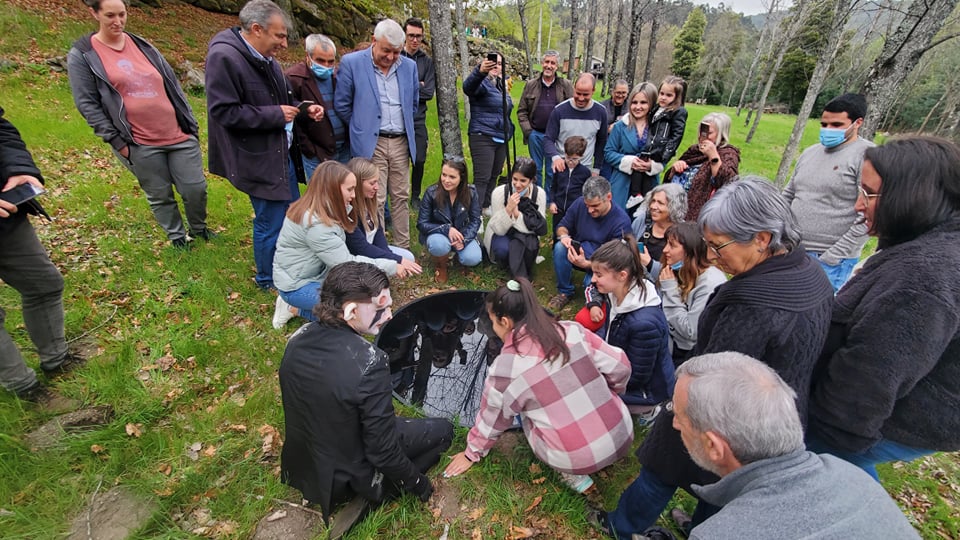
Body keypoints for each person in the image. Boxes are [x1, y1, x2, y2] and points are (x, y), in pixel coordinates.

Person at [598, 178, 834, 538]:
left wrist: (680, 411)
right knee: (731, 485)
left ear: (762, 238)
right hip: (776, 417)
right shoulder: (810, 272)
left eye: (717, 245)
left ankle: (623, 525)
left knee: (661, 468)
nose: (709, 255)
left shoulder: (753, 303)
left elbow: (717, 370)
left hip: (720, 411)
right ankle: (700, 528)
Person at [807, 137, 960, 480]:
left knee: (829, 474)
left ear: (911, 197)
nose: (858, 206)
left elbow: (870, 378)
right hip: (886, 404)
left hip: (872, 415)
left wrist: (825, 439)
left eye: (869, 193)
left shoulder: (922, 278)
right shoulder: (925, 244)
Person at [667, 352, 920, 540]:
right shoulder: (850, 474)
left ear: (714, 445)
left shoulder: (719, 535)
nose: (675, 424)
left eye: (678, 415)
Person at [280, 261, 453, 528]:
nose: (389, 315)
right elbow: (382, 451)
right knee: (444, 430)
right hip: (349, 471)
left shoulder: (298, 337)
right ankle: (374, 491)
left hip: (309, 465)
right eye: (380, 309)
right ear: (350, 311)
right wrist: (420, 485)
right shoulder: (370, 362)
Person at [443, 278, 634, 494]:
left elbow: (494, 417)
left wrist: (472, 452)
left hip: (574, 457)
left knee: (523, 411)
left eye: (493, 321)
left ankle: (572, 473)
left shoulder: (506, 368)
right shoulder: (571, 331)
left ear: (505, 322)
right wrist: (610, 392)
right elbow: (621, 366)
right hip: (623, 433)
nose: (493, 327)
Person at [68, 0, 211, 249]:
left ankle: (199, 229)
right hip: (137, 141)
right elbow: (87, 104)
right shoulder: (84, 55)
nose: (118, 21)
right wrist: (118, 142)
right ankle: (177, 238)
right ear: (94, 13)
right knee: (160, 193)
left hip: (177, 133)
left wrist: (190, 123)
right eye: (110, 15)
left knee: (194, 188)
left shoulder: (142, 45)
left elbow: (172, 85)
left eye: (122, 14)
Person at [205, 0, 324, 290]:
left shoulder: (265, 58)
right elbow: (223, 112)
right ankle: (268, 280)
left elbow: (281, 100)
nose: (284, 44)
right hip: (257, 158)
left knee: (292, 215)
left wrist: (304, 108)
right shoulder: (224, 57)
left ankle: (288, 269)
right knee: (270, 221)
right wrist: (274, 115)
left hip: (280, 154)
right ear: (256, 29)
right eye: (279, 36)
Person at [0, 107, 83, 409]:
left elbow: (1, 129)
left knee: (44, 284)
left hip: (6, 214)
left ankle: (56, 360)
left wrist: (18, 168)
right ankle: (24, 388)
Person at [272, 161, 414, 329]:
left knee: (356, 307)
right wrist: (392, 265)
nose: (354, 195)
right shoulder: (317, 224)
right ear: (332, 189)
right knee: (350, 314)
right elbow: (346, 264)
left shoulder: (327, 210)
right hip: (297, 285)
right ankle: (294, 308)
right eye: (350, 189)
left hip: (318, 275)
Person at [335, 18, 419, 249]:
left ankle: (403, 247)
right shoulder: (352, 63)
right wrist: (361, 127)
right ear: (374, 41)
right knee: (375, 197)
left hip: (401, 140)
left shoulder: (409, 66)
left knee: (401, 195)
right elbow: (342, 104)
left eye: (396, 52)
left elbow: (413, 104)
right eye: (386, 51)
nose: (391, 57)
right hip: (372, 141)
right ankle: (378, 248)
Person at [782, 93, 873, 292]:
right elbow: (789, 194)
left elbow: (869, 214)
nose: (828, 130)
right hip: (791, 249)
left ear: (857, 123)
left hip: (829, 259)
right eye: (824, 124)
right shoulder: (810, 153)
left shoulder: (867, 157)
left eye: (837, 125)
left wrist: (834, 256)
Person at [580, 238, 674, 423]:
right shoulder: (617, 293)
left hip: (647, 392)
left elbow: (637, 376)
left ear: (622, 275)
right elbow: (610, 333)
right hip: (619, 368)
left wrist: (597, 378)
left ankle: (650, 411)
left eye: (598, 274)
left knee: (583, 395)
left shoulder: (644, 324)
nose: (593, 279)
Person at [549, 177, 632, 312]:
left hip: (602, 263)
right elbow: (562, 226)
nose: (589, 210)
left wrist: (587, 264)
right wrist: (564, 236)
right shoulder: (579, 204)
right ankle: (565, 291)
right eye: (587, 205)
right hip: (580, 249)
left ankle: (595, 303)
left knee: (591, 283)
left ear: (609, 197)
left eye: (595, 206)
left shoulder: (621, 222)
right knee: (559, 247)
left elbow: (615, 261)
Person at [655, 223, 726, 365]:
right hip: (670, 346)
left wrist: (670, 290)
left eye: (672, 245)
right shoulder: (677, 270)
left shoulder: (709, 284)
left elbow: (691, 331)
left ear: (690, 250)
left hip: (689, 356)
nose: (665, 250)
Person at [285, 33, 349, 180]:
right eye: (320, 60)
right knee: (321, 199)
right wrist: (309, 149)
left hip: (344, 149)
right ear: (308, 56)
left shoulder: (339, 75)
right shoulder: (294, 79)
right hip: (317, 153)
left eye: (330, 61)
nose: (326, 66)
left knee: (344, 195)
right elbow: (290, 113)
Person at [516, 50, 574, 201]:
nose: (549, 66)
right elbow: (521, 111)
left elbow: (572, 109)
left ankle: (549, 199)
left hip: (556, 137)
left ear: (557, 66)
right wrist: (528, 132)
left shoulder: (565, 86)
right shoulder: (531, 85)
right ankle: (537, 196)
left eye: (552, 63)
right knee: (536, 169)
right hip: (535, 134)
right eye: (547, 62)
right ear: (542, 64)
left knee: (552, 169)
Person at [344, 157, 421, 269]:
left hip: (372, 251)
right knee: (400, 260)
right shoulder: (349, 211)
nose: (377, 187)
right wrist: (396, 260)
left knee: (408, 257)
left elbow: (379, 235)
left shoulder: (369, 203)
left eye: (377, 182)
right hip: (358, 259)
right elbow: (362, 249)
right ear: (358, 184)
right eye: (372, 183)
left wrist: (390, 256)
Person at [417, 158, 482, 283]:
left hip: (462, 233)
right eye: (444, 175)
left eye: (452, 177)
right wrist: (446, 229)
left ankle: (459, 257)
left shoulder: (471, 193)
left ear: (461, 178)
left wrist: (465, 239)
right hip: (438, 234)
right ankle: (441, 265)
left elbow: (475, 220)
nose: (446, 180)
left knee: (473, 258)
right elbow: (422, 223)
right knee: (438, 245)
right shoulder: (431, 193)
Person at [462, 52, 513, 211]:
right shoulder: (481, 82)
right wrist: (480, 71)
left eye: (499, 64)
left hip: (501, 136)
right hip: (483, 135)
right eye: (492, 63)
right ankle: (474, 214)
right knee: (482, 178)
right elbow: (468, 87)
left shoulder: (500, 85)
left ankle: (485, 206)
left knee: (494, 174)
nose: (496, 66)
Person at [666, 112, 739, 221]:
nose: (703, 136)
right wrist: (675, 167)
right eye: (702, 131)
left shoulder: (728, 154)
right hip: (675, 205)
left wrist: (713, 156)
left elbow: (727, 183)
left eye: (709, 133)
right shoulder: (694, 150)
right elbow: (670, 178)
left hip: (702, 213)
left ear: (721, 134)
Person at [483, 157, 547, 280]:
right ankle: (506, 264)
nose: (517, 184)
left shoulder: (539, 194)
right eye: (515, 179)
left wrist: (517, 215)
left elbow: (539, 228)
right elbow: (498, 229)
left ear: (531, 180)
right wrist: (508, 209)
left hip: (527, 234)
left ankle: (522, 268)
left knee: (528, 245)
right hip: (504, 233)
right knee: (503, 249)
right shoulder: (499, 193)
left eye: (523, 180)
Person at [604, 82, 661, 209]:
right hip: (622, 182)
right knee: (620, 221)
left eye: (643, 103)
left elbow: (665, 154)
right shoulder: (620, 126)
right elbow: (608, 152)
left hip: (648, 182)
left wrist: (652, 165)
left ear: (652, 103)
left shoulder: (658, 127)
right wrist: (629, 161)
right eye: (634, 102)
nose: (638, 107)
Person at [544, 73, 608, 177]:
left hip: (585, 168)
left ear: (593, 91)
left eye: (585, 94)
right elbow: (548, 139)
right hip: (562, 166)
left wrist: (596, 168)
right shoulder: (559, 110)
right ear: (574, 88)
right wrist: (555, 157)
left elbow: (602, 142)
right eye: (578, 93)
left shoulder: (600, 112)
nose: (581, 98)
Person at [400, 18, 436, 206]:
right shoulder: (396, 56)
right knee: (398, 161)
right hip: (398, 117)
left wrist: (409, 87)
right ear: (404, 36)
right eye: (411, 36)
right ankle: (399, 195)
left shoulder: (426, 62)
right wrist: (417, 85)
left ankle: (415, 195)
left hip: (418, 118)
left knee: (419, 159)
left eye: (419, 37)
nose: (415, 40)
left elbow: (429, 92)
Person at [630, 183, 687, 279]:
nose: (653, 206)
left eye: (660, 203)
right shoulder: (643, 220)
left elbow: (680, 272)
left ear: (674, 207)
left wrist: (650, 264)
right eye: (653, 201)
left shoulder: (683, 232)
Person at [549, 136, 591, 240]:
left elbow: (586, 193)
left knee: (574, 232)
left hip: (575, 210)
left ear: (582, 157)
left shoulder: (585, 172)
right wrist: (552, 202)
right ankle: (556, 252)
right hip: (558, 209)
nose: (570, 162)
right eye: (568, 158)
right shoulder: (560, 168)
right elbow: (553, 186)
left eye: (575, 159)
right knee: (557, 232)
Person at [648, 75, 688, 170]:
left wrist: (665, 155)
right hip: (648, 149)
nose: (663, 97)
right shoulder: (656, 108)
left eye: (669, 95)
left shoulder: (678, 112)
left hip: (659, 153)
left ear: (678, 97)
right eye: (661, 93)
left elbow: (677, 135)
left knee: (651, 180)